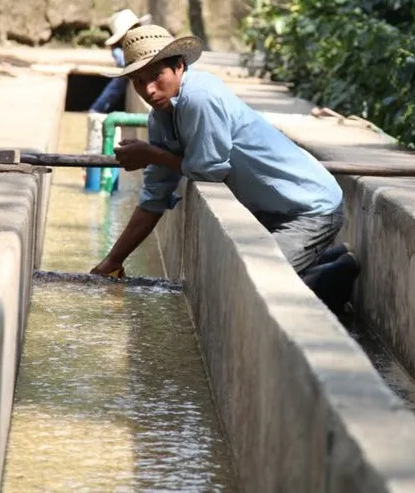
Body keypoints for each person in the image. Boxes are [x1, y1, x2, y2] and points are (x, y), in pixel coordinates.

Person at [90, 24, 360, 314]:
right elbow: (154, 196)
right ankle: (329, 259)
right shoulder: (161, 118)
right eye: (138, 81)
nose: (149, 90)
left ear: (179, 67)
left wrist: (152, 154)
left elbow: (210, 170)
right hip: (272, 209)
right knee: (237, 278)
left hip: (310, 208)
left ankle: (336, 274)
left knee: (254, 288)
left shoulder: (199, 98)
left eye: (156, 76)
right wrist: (112, 262)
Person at [89, 9, 152, 114]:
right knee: (121, 78)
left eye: (135, 28)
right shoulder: (118, 51)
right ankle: (96, 110)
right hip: (127, 69)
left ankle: (96, 109)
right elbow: (124, 63)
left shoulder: (147, 39)